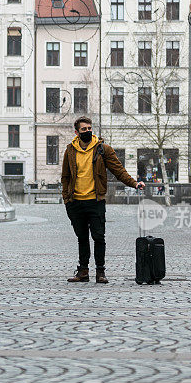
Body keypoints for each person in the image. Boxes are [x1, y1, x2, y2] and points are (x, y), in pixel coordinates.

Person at [61, 117, 145, 283]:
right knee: (82, 238)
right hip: (76, 202)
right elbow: (65, 176)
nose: (87, 131)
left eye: (89, 128)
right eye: (83, 129)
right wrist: (66, 199)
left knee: (99, 237)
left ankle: (101, 272)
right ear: (77, 132)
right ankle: (83, 271)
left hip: (95, 201)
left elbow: (118, 170)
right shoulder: (70, 150)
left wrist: (134, 183)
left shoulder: (103, 149)